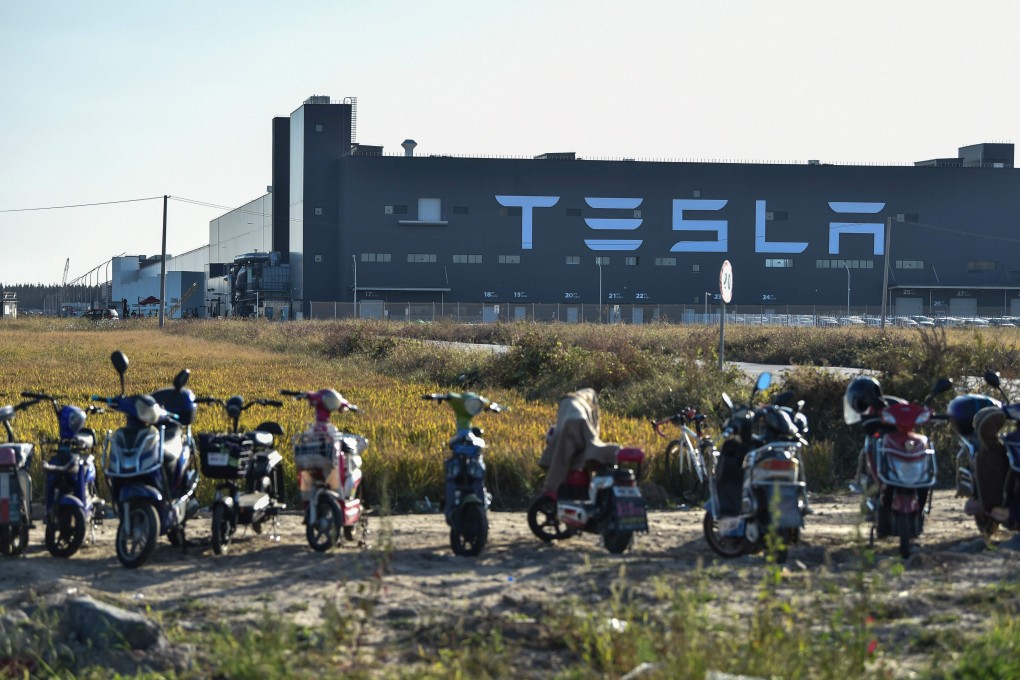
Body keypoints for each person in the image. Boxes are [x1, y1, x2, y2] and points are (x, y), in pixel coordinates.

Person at [537, 388, 620, 497]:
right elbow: (593, 430)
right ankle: (553, 491)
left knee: (561, 458)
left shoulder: (568, 403)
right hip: (578, 424)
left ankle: (551, 489)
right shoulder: (586, 405)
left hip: (570, 424)